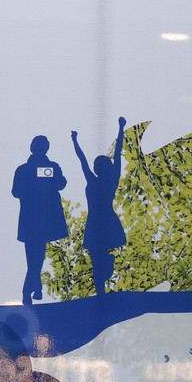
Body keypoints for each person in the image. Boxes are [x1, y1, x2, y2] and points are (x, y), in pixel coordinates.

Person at [71, 117, 128, 294]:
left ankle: (102, 283)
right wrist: (75, 141)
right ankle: (100, 290)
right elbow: (82, 160)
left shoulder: (109, 181)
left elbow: (118, 153)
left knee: (97, 257)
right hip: (96, 221)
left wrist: (121, 128)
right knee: (96, 258)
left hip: (102, 221)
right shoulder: (97, 180)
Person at [12, 135, 69, 305]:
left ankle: (32, 289)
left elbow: (60, 183)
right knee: (36, 257)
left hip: (37, 218)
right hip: (37, 218)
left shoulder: (27, 169)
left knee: (35, 257)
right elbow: (17, 191)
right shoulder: (26, 170)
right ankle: (32, 289)